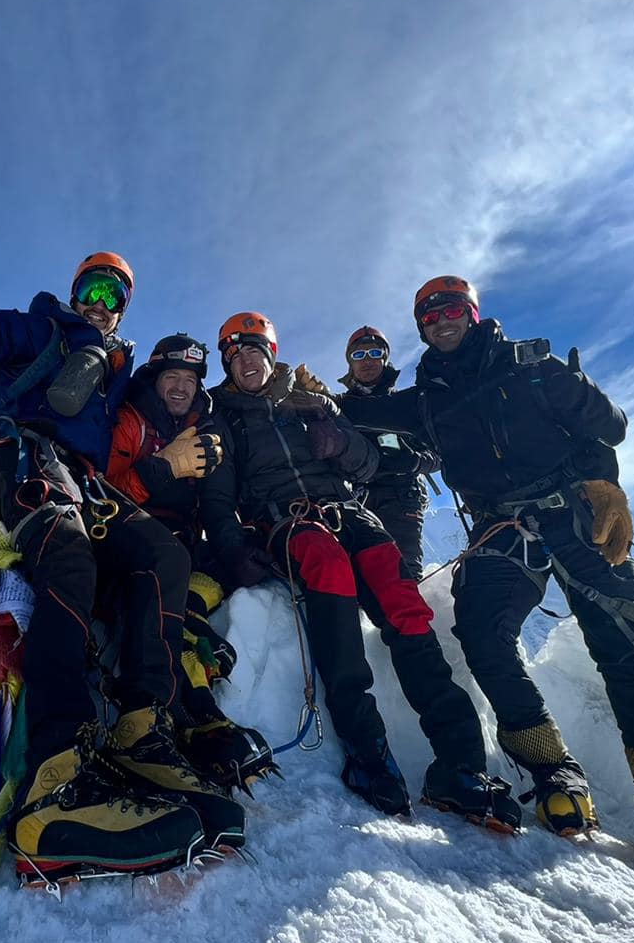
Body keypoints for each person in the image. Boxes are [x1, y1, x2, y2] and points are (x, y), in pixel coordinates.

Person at [337, 275, 634, 883]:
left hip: (577, 514)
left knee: (623, 649)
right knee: (483, 635)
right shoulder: (428, 398)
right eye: (428, 315)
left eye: (450, 310)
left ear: (471, 314)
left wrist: (604, 480)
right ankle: (553, 773)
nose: (440, 321)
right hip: (501, 529)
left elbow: (612, 426)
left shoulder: (534, 367)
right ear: (421, 328)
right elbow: (360, 412)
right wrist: (306, 395)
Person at [0, 192, 242, 881]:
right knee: (64, 551)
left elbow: (159, 406)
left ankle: (140, 730)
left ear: (123, 309)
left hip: (88, 482)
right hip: (20, 458)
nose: (99, 302)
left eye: (112, 295)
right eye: (90, 288)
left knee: (160, 553)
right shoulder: (40, 333)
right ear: (73, 294)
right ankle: (51, 789)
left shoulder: (117, 377)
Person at [198, 310, 520, 829]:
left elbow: (369, 465)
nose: (248, 363)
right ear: (227, 364)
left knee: (401, 597)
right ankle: (367, 751)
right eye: (237, 356)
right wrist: (235, 548)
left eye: (256, 352)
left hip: (350, 512)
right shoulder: (223, 417)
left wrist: (341, 440)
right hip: (286, 522)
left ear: (271, 355)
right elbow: (218, 496)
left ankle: (460, 764)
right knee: (329, 573)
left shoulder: (312, 403)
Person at [107, 333, 276, 789]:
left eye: (189, 378)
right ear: (155, 380)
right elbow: (103, 491)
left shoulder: (209, 429)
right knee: (163, 595)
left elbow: (218, 508)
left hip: (182, 541)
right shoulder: (131, 421)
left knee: (237, 551)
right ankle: (191, 717)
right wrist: (162, 467)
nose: (180, 387)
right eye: (171, 377)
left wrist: (234, 550)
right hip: (128, 531)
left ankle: (193, 618)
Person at [335, 325, 438, 581]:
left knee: (402, 572)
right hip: (353, 498)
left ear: (385, 358)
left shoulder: (409, 405)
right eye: (358, 355)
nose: (366, 361)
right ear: (350, 363)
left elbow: (439, 454)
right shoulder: (336, 409)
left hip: (401, 496)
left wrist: (414, 461)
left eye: (374, 353)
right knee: (353, 575)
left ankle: (411, 619)